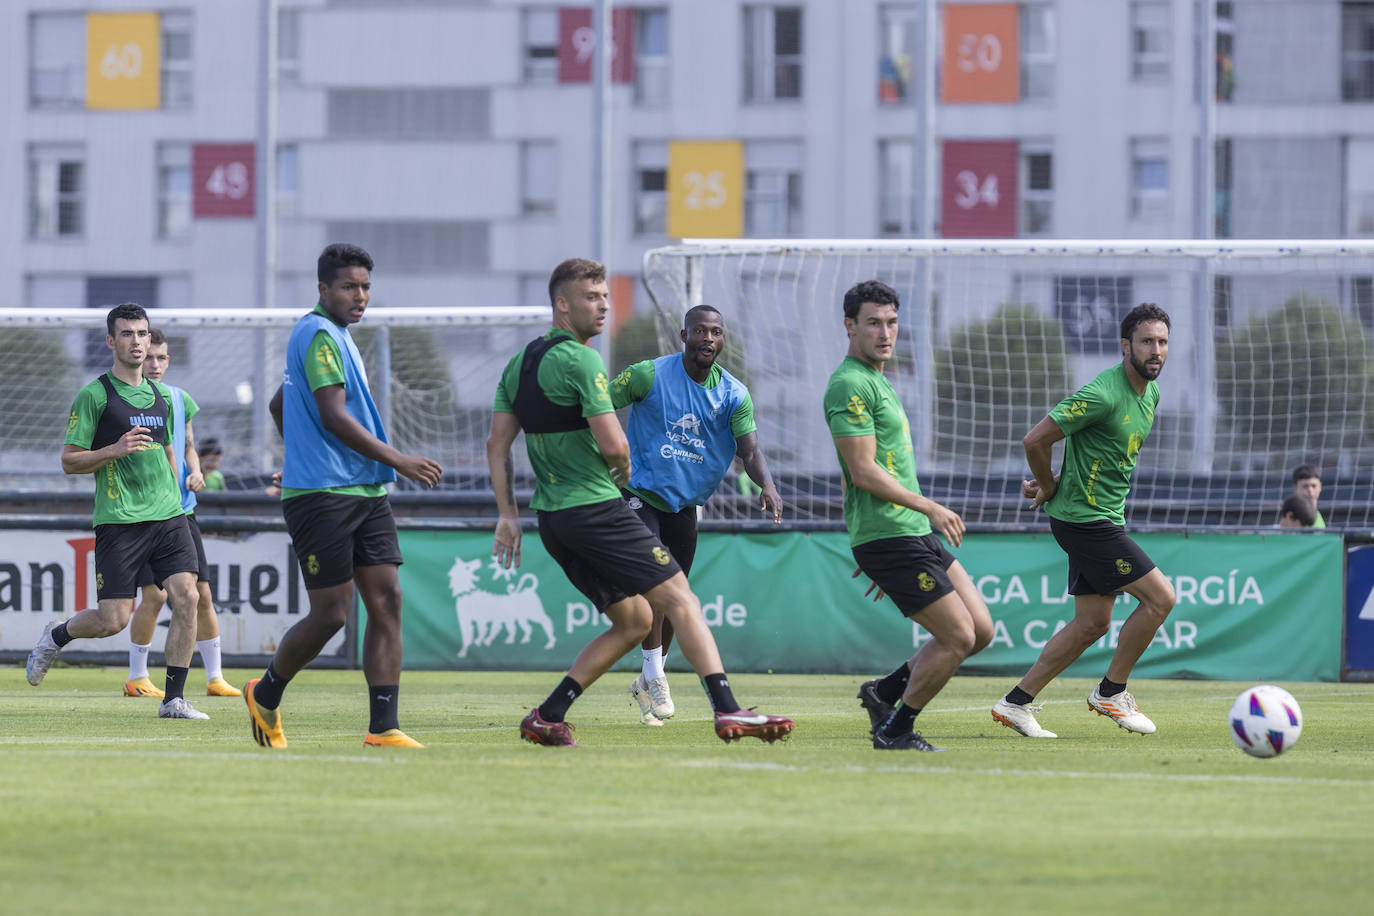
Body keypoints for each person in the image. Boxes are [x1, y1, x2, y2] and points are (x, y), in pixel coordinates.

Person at [488, 257, 793, 747]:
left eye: (606, 296)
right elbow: (613, 443)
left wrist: (508, 515)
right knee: (679, 599)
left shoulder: (518, 362)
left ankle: (547, 715)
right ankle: (729, 710)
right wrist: (625, 470)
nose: (605, 305)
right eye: (594, 296)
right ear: (562, 304)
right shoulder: (591, 361)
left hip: (552, 517)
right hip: (602, 506)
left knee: (635, 620)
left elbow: (497, 444)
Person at [243, 243, 443, 750]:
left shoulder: (338, 336)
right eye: (350, 287)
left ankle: (384, 727)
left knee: (387, 602)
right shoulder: (316, 333)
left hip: (365, 490)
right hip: (324, 496)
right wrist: (398, 459)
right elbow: (332, 415)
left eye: (366, 287)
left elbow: (279, 403)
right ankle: (265, 692)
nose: (361, 296)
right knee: (332, 613)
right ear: (323, 289)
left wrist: (303, 448)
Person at [990, 302, 1177, 739]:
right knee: (1161, 598)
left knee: (1093, 622)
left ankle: (1016, 703)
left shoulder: (1150, 393)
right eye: (1147, 341)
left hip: (1100, 516)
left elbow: (1101, 452)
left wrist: (1058, 478)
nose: (1156, 350)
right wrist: (1048, 484)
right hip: (1086, 522)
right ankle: (1111, 692)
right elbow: (1035, 439)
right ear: (1125, 345)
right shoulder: (1102, 392)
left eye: (1163, 342)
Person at [824, 280, 994, 752]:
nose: (885, 332)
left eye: (892, 322)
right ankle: (896, 731)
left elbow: (853, 471)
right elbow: (860, 470)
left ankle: (885, 692)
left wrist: (875, 533)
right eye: (873, 323)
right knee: (957, 636)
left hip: (903, 533)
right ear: (850, 326)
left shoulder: (879, 379)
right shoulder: (849, 383)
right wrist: (926, 509)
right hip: (895, 533)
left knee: (980, 631)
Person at [26, 303, 209, 720]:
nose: (136, 341)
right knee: (113, 621)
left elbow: (167, 450)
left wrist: (184, 480)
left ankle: (173, 700)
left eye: (142, 333)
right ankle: (55, 636)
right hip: (120, 522)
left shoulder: (163, 396)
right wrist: (113, 449)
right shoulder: (95, 395)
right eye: (126, 334)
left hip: (168, 515)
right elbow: (69, 461)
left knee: (188, 596)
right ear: (111, 341)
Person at [609, 304, 783, 726]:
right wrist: (605, 453)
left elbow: (750, 450)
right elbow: (599, 407)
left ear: (723, 340)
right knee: (656, 586)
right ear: (682, 336)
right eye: (700, 330)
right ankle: (655, 677)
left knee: (675, 598)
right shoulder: (648, 375)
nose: (708, 338)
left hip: (685, 505)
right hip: (640, 494)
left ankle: (650, 677)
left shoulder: (733, 394)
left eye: (717, 332)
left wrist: (768, 484)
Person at [122, 329, 241, 699]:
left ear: (168, 360)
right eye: (149, 357)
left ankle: (215, 677)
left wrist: (196, 471)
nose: (154, 364)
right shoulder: (129, 399)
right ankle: (137, 676)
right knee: (155, 597)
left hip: (182, 512)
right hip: (144, 514)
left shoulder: (179, 399)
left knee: (201, 594)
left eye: (161, 358)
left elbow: (188, 446)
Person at [1291, 464, 1325, 528]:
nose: (1310, 490)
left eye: (1314, 486)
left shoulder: (1318, 517)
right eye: (1305, 486)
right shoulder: (1291, 517)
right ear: (1295, 488)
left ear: (1320, 486)